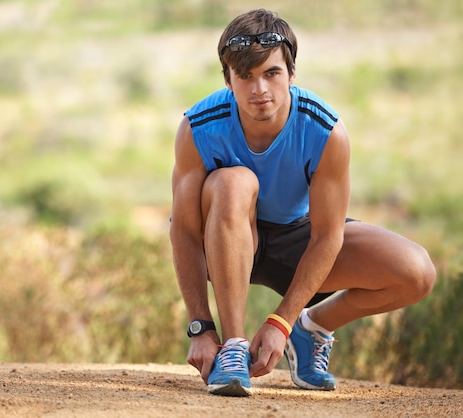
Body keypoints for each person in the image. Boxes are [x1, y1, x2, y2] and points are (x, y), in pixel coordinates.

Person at [169, 8, 436, 397]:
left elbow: (328, 236)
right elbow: (185, 231)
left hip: (300, 239)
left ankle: (310, 332)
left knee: (416, 272)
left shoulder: (325, 129)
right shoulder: (199, 127)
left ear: (292, 74)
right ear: (228, 80)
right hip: (226, 239)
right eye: (245, 76)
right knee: (233, 183)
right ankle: (234, 348)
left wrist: (283, 322)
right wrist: (200, 327)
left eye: (271, 73)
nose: (259, 89)